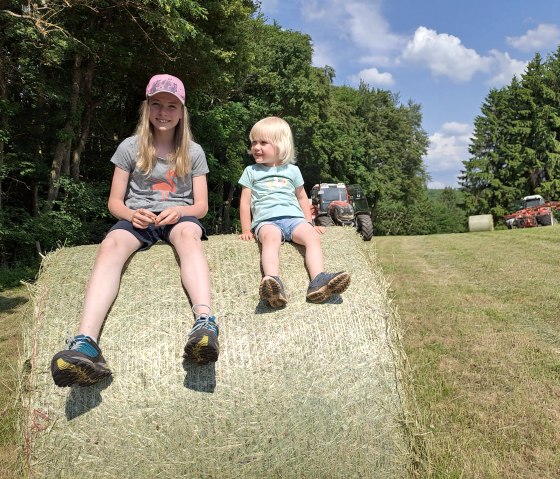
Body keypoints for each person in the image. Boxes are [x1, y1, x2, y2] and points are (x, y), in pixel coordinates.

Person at [51, 74, 219, 388]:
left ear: (182, 112)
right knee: (111, 243)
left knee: (188, 237)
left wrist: (180, 211)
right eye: (157, 104)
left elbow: (201, 206)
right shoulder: (130, 147)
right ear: (147, 108)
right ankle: (85, 342)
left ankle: (205, 323)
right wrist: (131, 214)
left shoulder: (193, 152)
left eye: (172, 106)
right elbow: (115, 202)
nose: (164, 111)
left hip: (178, 216)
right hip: (138, 217)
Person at [238, 116, 350, 308]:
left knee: (312, 238)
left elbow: (301, 198)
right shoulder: (251, 171)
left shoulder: (293, 171)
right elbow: (245, 202)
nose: (256, 147)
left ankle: (318, 280)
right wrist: (247, 229)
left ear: (281, 145)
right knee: (270, 239)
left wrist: (309, 223)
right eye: (254, 142)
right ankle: (273, 283)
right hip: (267, 221)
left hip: (294, 219)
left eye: (263, 142)